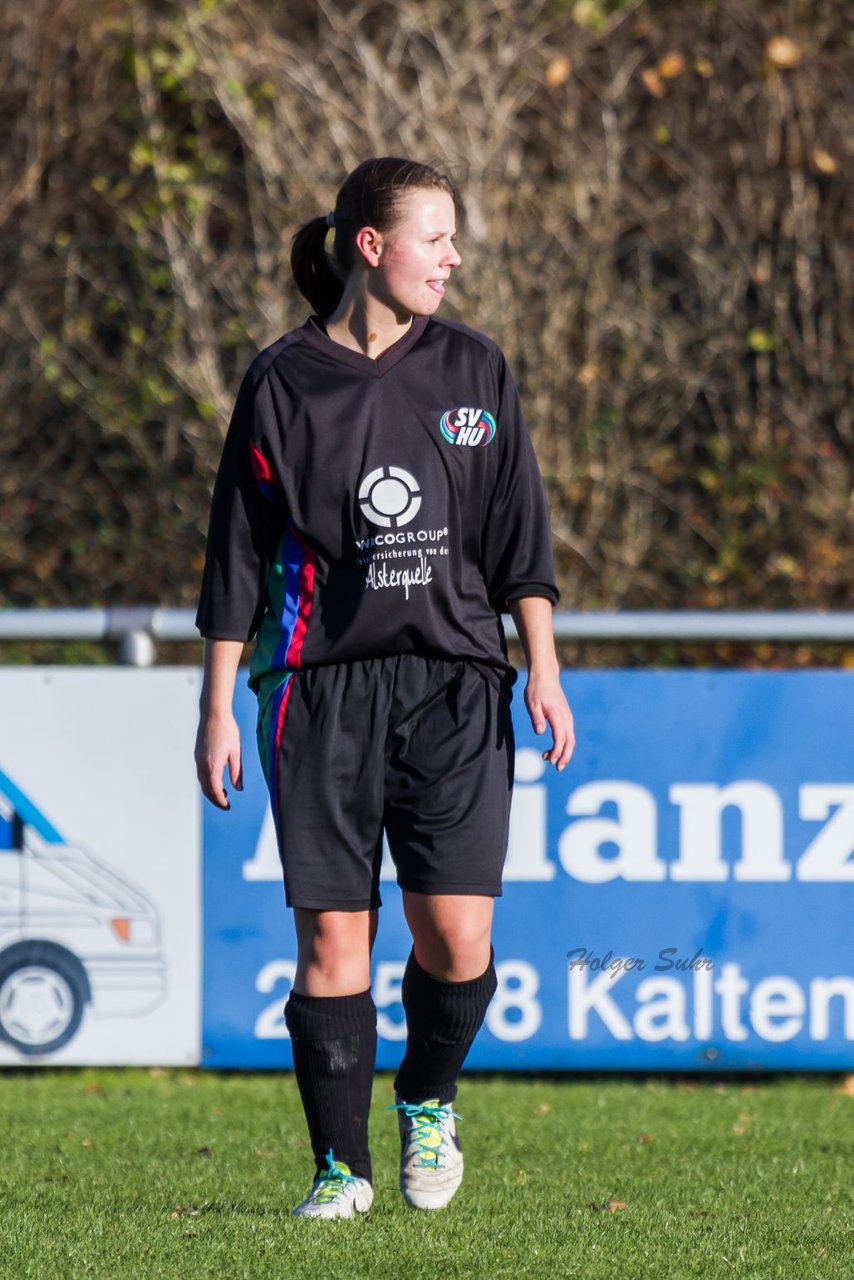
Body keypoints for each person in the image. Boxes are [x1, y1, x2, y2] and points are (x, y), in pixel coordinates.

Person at [194, 156, 575, 1219]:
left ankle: (427, 1096)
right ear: (371, 245)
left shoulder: (473, 368)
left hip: (455, 683)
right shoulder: (283, 379)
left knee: (456, 935)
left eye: (454, 239)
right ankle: (338, 1169)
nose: (452, 257)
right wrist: (217, 702)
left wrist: (539, 662)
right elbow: (236, 553)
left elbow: (518, 533)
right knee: (332, 943)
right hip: (318, 689)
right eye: (434, 237)